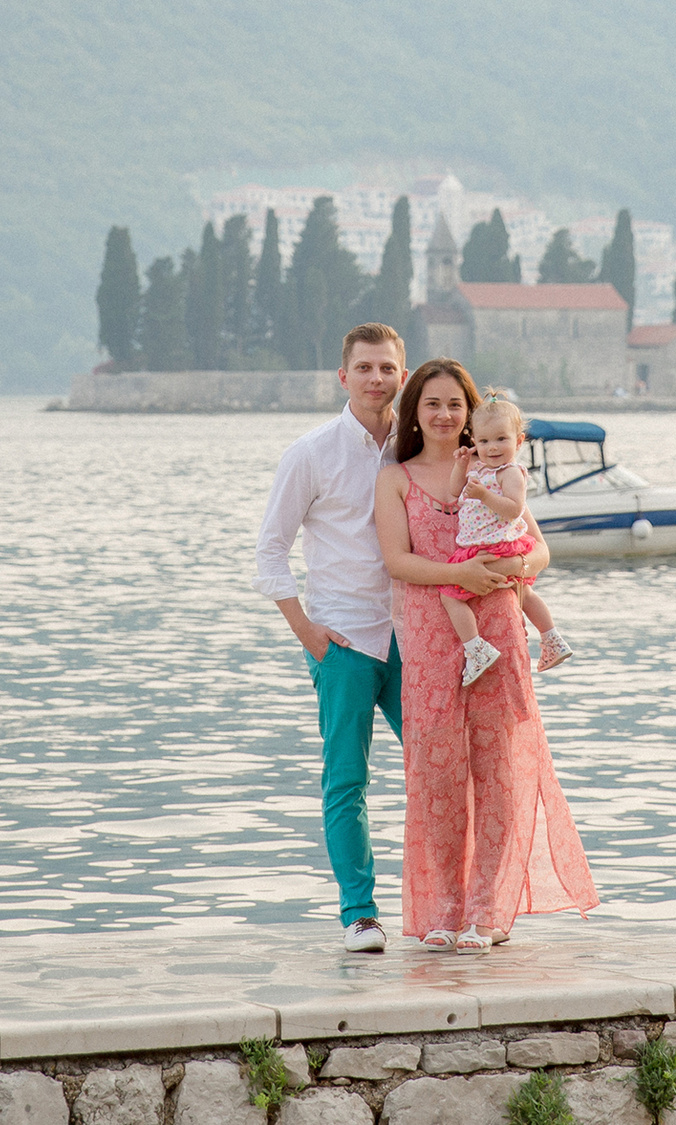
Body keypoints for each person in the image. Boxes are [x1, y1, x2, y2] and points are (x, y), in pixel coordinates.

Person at [250, 323, 507, 953]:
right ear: (343, 376)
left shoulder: (417, 447)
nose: (376, 379)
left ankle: (464, 908)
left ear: (403, 374)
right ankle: (359, 914)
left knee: (444, 771)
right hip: (343, 639)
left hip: (420, 636)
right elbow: (269, 552)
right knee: (347, 779)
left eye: (387, 369)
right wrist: (307, 631)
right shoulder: (310, 453)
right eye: (363, 368)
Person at [376, 357, 597, 948]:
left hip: (498, 624)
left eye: (455, 405)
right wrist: (464, 573)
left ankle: (489, 912)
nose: (445, 415)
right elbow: (396, 561)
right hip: (427, 633)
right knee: (437, 774)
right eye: (432, 404)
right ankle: (442, 912)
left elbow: (540, 550)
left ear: (472, 416)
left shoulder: (499, 469)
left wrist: (516, 567)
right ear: (414, 412)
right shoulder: (396, 477)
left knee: (498, 770)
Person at [440, 390, 575, 685]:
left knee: (449, 595)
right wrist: (461, 465)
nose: (493, 447)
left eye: (501, 439)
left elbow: (514, 509)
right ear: (473, 441)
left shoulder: (510, 473)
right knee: (522, 594)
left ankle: (476, 648)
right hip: (485, 547)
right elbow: (453, 492)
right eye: (484, 441)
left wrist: (485, 495)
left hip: (498, 546)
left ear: (518, 441)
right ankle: (551, 639)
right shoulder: (479, 469)